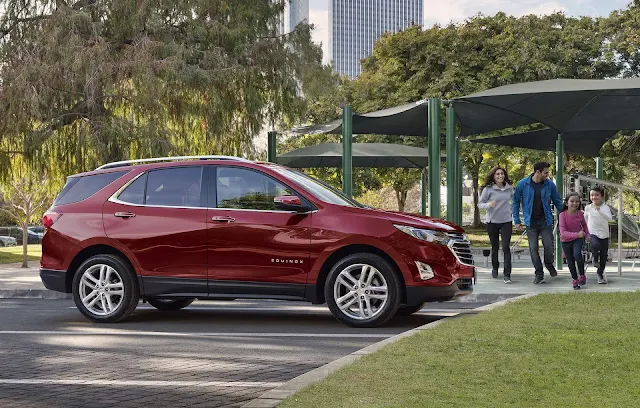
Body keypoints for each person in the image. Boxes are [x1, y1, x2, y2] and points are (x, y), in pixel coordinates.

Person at [513, 162, 564, 284]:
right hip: (531, 222)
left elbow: (557, 201)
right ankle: (539, 273)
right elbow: (515, 202)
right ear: (538, 172)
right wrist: (516, 220)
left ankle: (548, 263)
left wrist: (569, 214)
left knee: (549, 245)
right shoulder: (523, 184)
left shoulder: (549, 185)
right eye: (545, 172)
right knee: (533, 248)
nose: (547, 175)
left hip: (545, 220)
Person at [478, 166, 514, 283]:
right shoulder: (488, 189)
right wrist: (489, 204)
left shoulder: (509, 188)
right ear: (494, 176)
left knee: (505, 247)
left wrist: (514, 211)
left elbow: (516, 201)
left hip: (506, 221)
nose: (500, 176)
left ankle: (507, 274)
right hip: (492, 222)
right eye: (497, 174)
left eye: (502, 174)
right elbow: (480, 204)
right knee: (495, 247)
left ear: (505, 175)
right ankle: (495, 267)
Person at [559, 192, 590, 289]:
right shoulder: (562, 215)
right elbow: (563, 233)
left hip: (577, 239)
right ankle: (574, 279)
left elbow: (584, 225)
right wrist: (577, 234)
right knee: (570, 261)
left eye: (577, 201)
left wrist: (587, 235)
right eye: (572, 201)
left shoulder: (580, 214)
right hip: (566, 241)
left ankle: (582, 275)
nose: (574, 203)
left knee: (577, 254)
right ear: (566, 203)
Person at [583, 186, 612, 284]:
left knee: (604, 255)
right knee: (595, 245)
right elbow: (585, 219)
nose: (594, 197)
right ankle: (595, 258)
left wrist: (599, 211)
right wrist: (585, 232)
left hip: (604, 234)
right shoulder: (588, 207)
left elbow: (609, 218)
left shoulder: (605, 207)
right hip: (593, 232)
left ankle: (600, 274)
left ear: (602, 196)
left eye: (596, 195)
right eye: (592, 195)